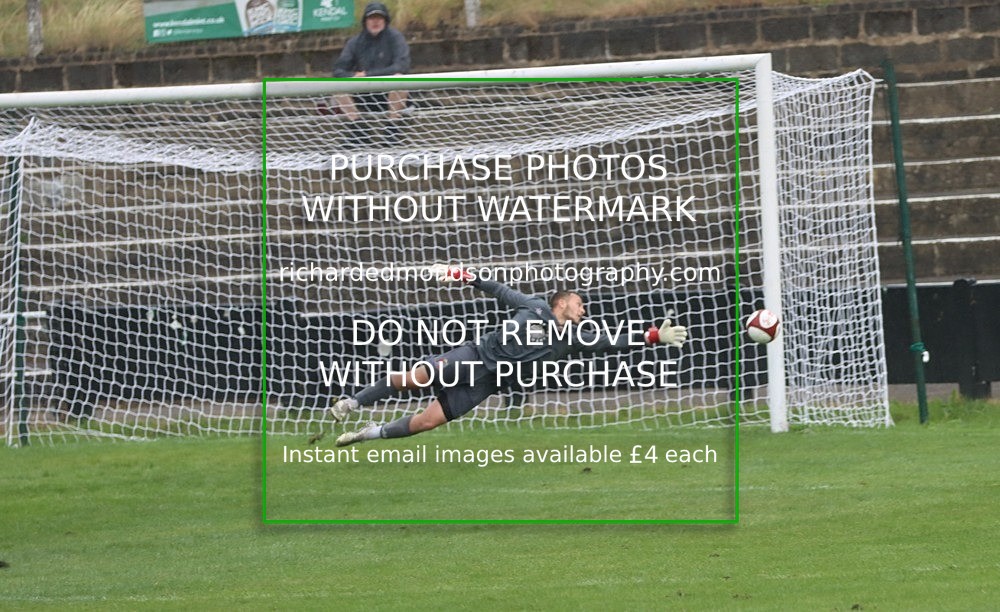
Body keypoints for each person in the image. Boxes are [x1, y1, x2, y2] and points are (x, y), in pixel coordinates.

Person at [328, 267, 687, 447]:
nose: (583, 310)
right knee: (413, 380)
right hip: (473, 357)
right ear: (561, 302)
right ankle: (352, 402)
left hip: (488, 383)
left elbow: (611, 342)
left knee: (427, 422)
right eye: (579, 304)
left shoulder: (572, 339)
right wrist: (463, 276)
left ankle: (367, 434)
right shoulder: (533, 306)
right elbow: (500, 289)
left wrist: (653, 336)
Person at [329, 2, 411, 146]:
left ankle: (392, 130)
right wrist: (353, 77)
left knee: (400, 79)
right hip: (364, 94)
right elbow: (338, 70)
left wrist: (368, 75)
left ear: (385, 20)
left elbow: (401, 65)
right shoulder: (355, 42)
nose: (375, 21)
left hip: (388, 93)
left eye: (379, 18)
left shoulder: (395, 38)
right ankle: (359, 130)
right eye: (372, 18)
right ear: (365, 21)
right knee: (337, 87)